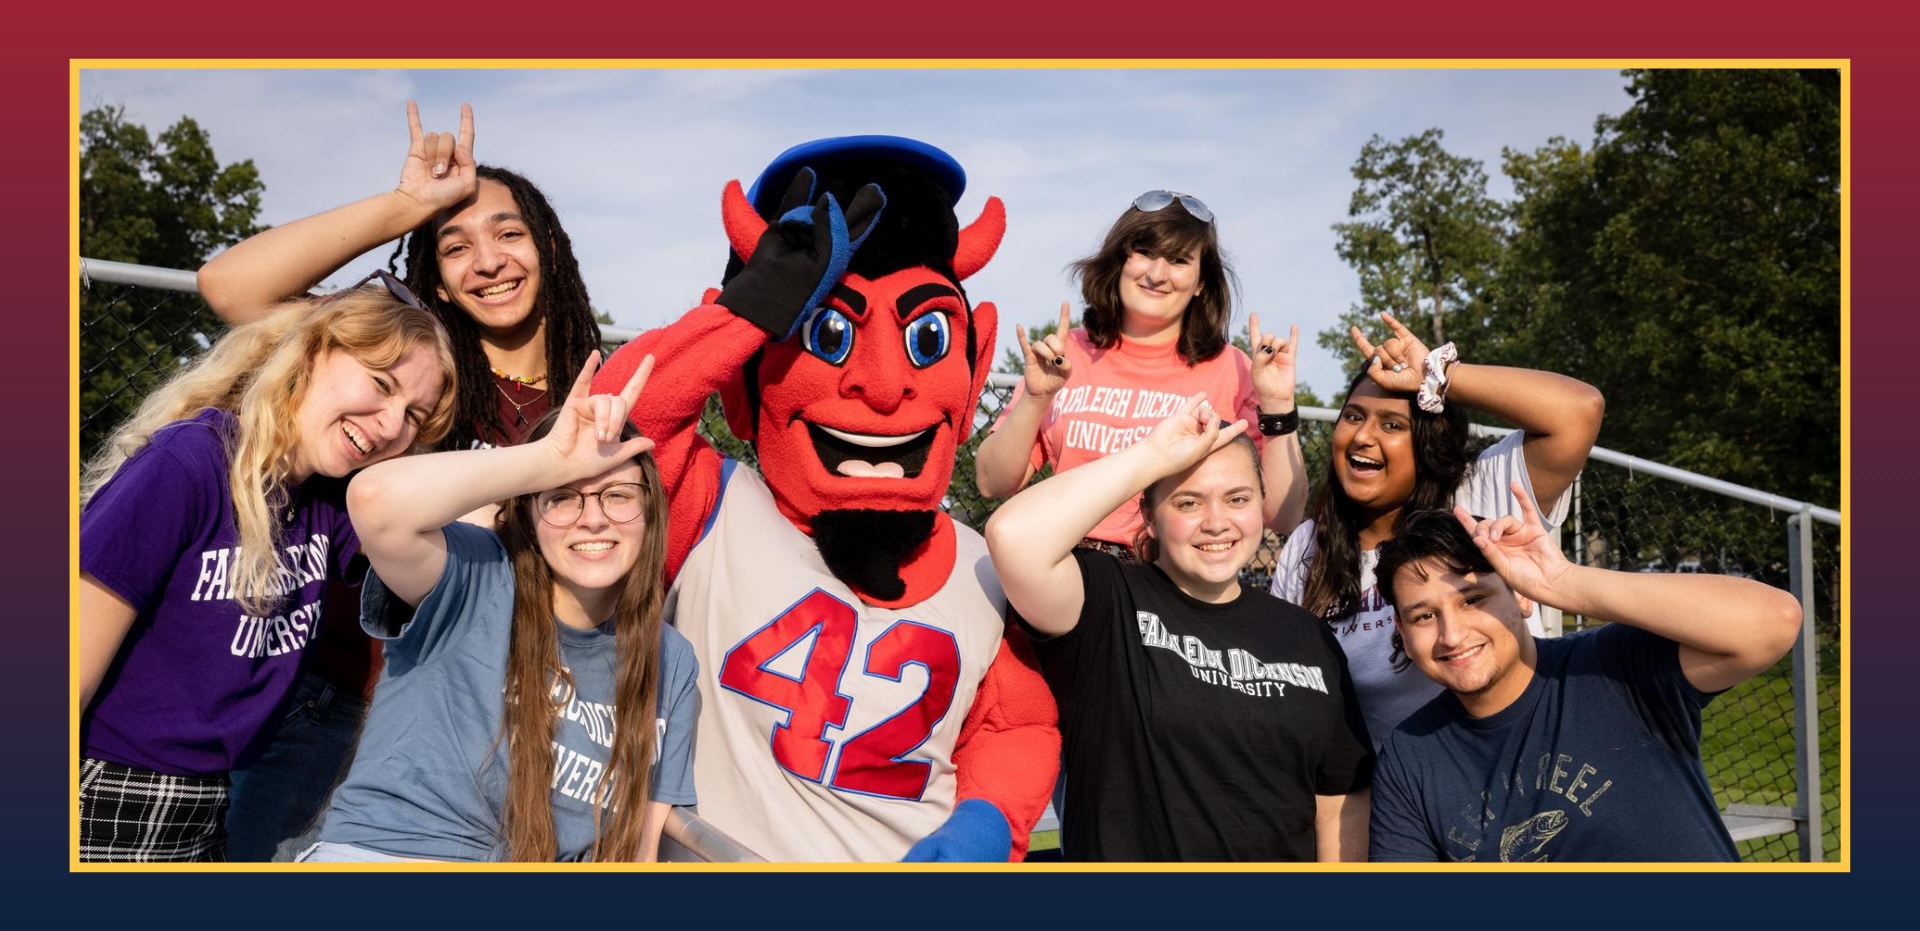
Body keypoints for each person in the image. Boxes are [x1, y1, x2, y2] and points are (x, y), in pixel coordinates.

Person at [594, 136, 1059, 861]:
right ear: (739, 381)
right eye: (830, 333)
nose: (882, 385)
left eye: (927, 336)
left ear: (970, 376)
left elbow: (1015, 725)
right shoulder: (710, 506)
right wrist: (752, 310)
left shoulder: (985, 567)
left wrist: (988, 822)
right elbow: (614, 420)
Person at [197, 102, 604, 859]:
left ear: (550, 247)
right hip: (337, 697)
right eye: (455, 246)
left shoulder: (595, 405)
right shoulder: (408, 368)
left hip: (502, 727)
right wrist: (407, 206)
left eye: (510, 234)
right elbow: (230, 287)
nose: (487, 261)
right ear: (439, 281)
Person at [78, 282, 457, 861]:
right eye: (381, 385)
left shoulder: (328, 503)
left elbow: (460, 519)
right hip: (112, 790)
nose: (388, 426)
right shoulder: (189, 463)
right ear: (313, 352)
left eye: (414, 416)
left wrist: (551, 463)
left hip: (205, 800)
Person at [302, 353, 698, 863]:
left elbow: (647, 834)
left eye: (618, 495)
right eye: (561, 498)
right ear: (527, 514)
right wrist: (549, 461)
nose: (593, 519)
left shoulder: (671, 658)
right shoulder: (476, 574)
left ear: (650, 514)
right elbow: (375, 499)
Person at [986, 394, 1372, 861]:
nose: (1216, 523)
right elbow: (1013, 536)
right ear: (1149, 515)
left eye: (1238, 499)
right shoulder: (1107, 602)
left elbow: (1338, 804)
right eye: (1189, 502)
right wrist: (1151, 456)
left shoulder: (1308, 637)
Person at [1368, 497, 1802, 861]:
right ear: (1403, 636)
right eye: (1424, 616)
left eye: (1473, 599)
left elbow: (1774, 622)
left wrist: (1564, 581)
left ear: (1521, 596)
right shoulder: (1410, 756)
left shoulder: (1611, 665)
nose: (1453, 635)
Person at [1270, 311, 1605, 748]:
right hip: (1385, 797)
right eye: (1353, 416)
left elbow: (1579, 410)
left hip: (1519, 765)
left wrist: (1438, 374)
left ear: (1429, 443)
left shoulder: (1477, 496)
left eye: (1392, 425)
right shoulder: (1308, 547)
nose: (1362, 438)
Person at [975, 190, 1307, 559]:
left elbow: (1283, 515)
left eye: (1179, 260)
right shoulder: (1063, 356)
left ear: (1200, 283)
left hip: (1173, 573)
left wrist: (1278, 405)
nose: (1156, 274)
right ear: (1120, 261)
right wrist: (1036, 399)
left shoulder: (1234, 367)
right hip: (1068, 566)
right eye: (1145, 253)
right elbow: (992, 482)